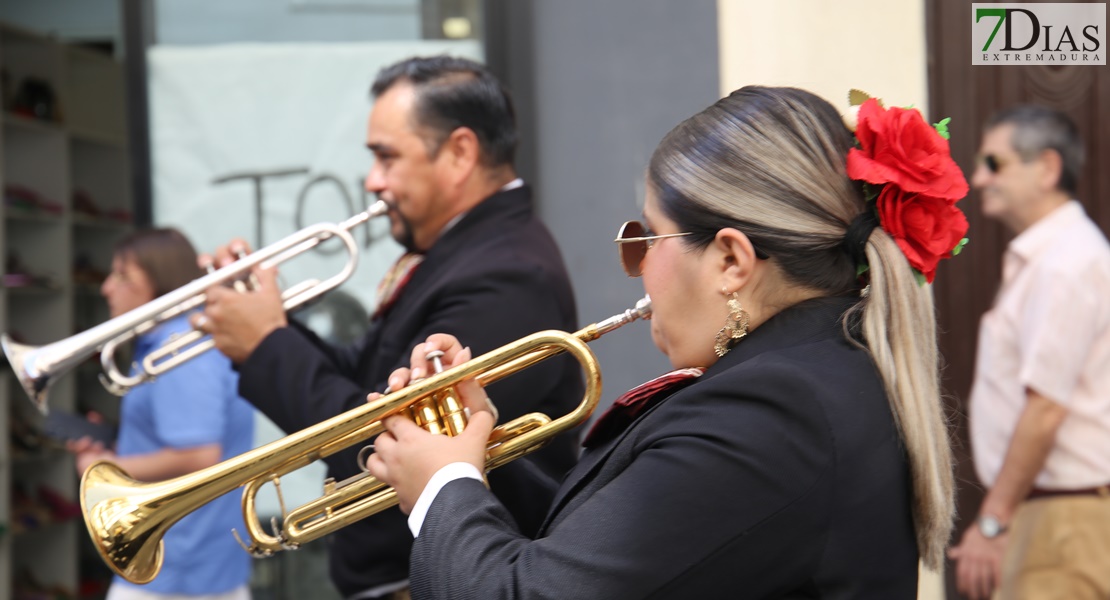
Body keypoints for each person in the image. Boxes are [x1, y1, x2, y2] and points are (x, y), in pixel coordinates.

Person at [366, 86, 965, 599]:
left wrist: (441, 491)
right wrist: (474, 452)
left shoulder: (771, 412)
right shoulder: (808, 376)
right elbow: (626, 555)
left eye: (647, 238)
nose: (639, 267)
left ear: (730, 259)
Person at [195, 56, 581, 600]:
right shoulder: (465, 251)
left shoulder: (508, 272)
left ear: (460, 153)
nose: (373, 181)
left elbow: (386, 438)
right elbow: (364, 376)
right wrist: (263, 323)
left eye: (386, 156)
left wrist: (266, 344)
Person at [948, 106, 1110, 599]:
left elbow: (1044, 409)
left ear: (1047, 168)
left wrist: (992, 523)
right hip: (1045, 512)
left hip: (1063, 519)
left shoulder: (1066, 262)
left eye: (994, 164)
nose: (978, 179)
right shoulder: (1053, 258)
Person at [67, 228, 255, 600]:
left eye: (123, 276)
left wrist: (106, 466)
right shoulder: (180, 341)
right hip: (194, 562)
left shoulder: (176, 350)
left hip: (177, 566)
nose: (106, 287)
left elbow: (198, 454)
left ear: (159, 282)